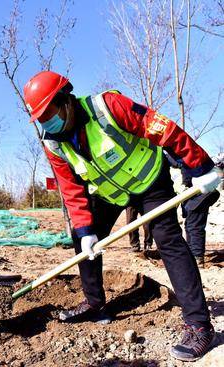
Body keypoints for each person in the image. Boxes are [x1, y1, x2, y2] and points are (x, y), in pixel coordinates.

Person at [23, 71, 222, 362]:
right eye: (40, 118)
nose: (46, 121)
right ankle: (94, 304)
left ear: (64, 100)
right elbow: (71, 188)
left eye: (48, 113)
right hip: (109, 193)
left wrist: (199, 165)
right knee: (84, 242)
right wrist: (85, 229)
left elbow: (161, 129)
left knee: (168, 241)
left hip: (149, 181)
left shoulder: (106, 106)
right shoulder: (53, 143)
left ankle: (199, 325)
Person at [167, 153, 221, 267]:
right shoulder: (182, 163)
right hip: (197, 196)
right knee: (189, 225)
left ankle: (197, 257)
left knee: (194, 225)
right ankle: (193, 254)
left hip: (199, 195)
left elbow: (186, 179)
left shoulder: (183, 162)